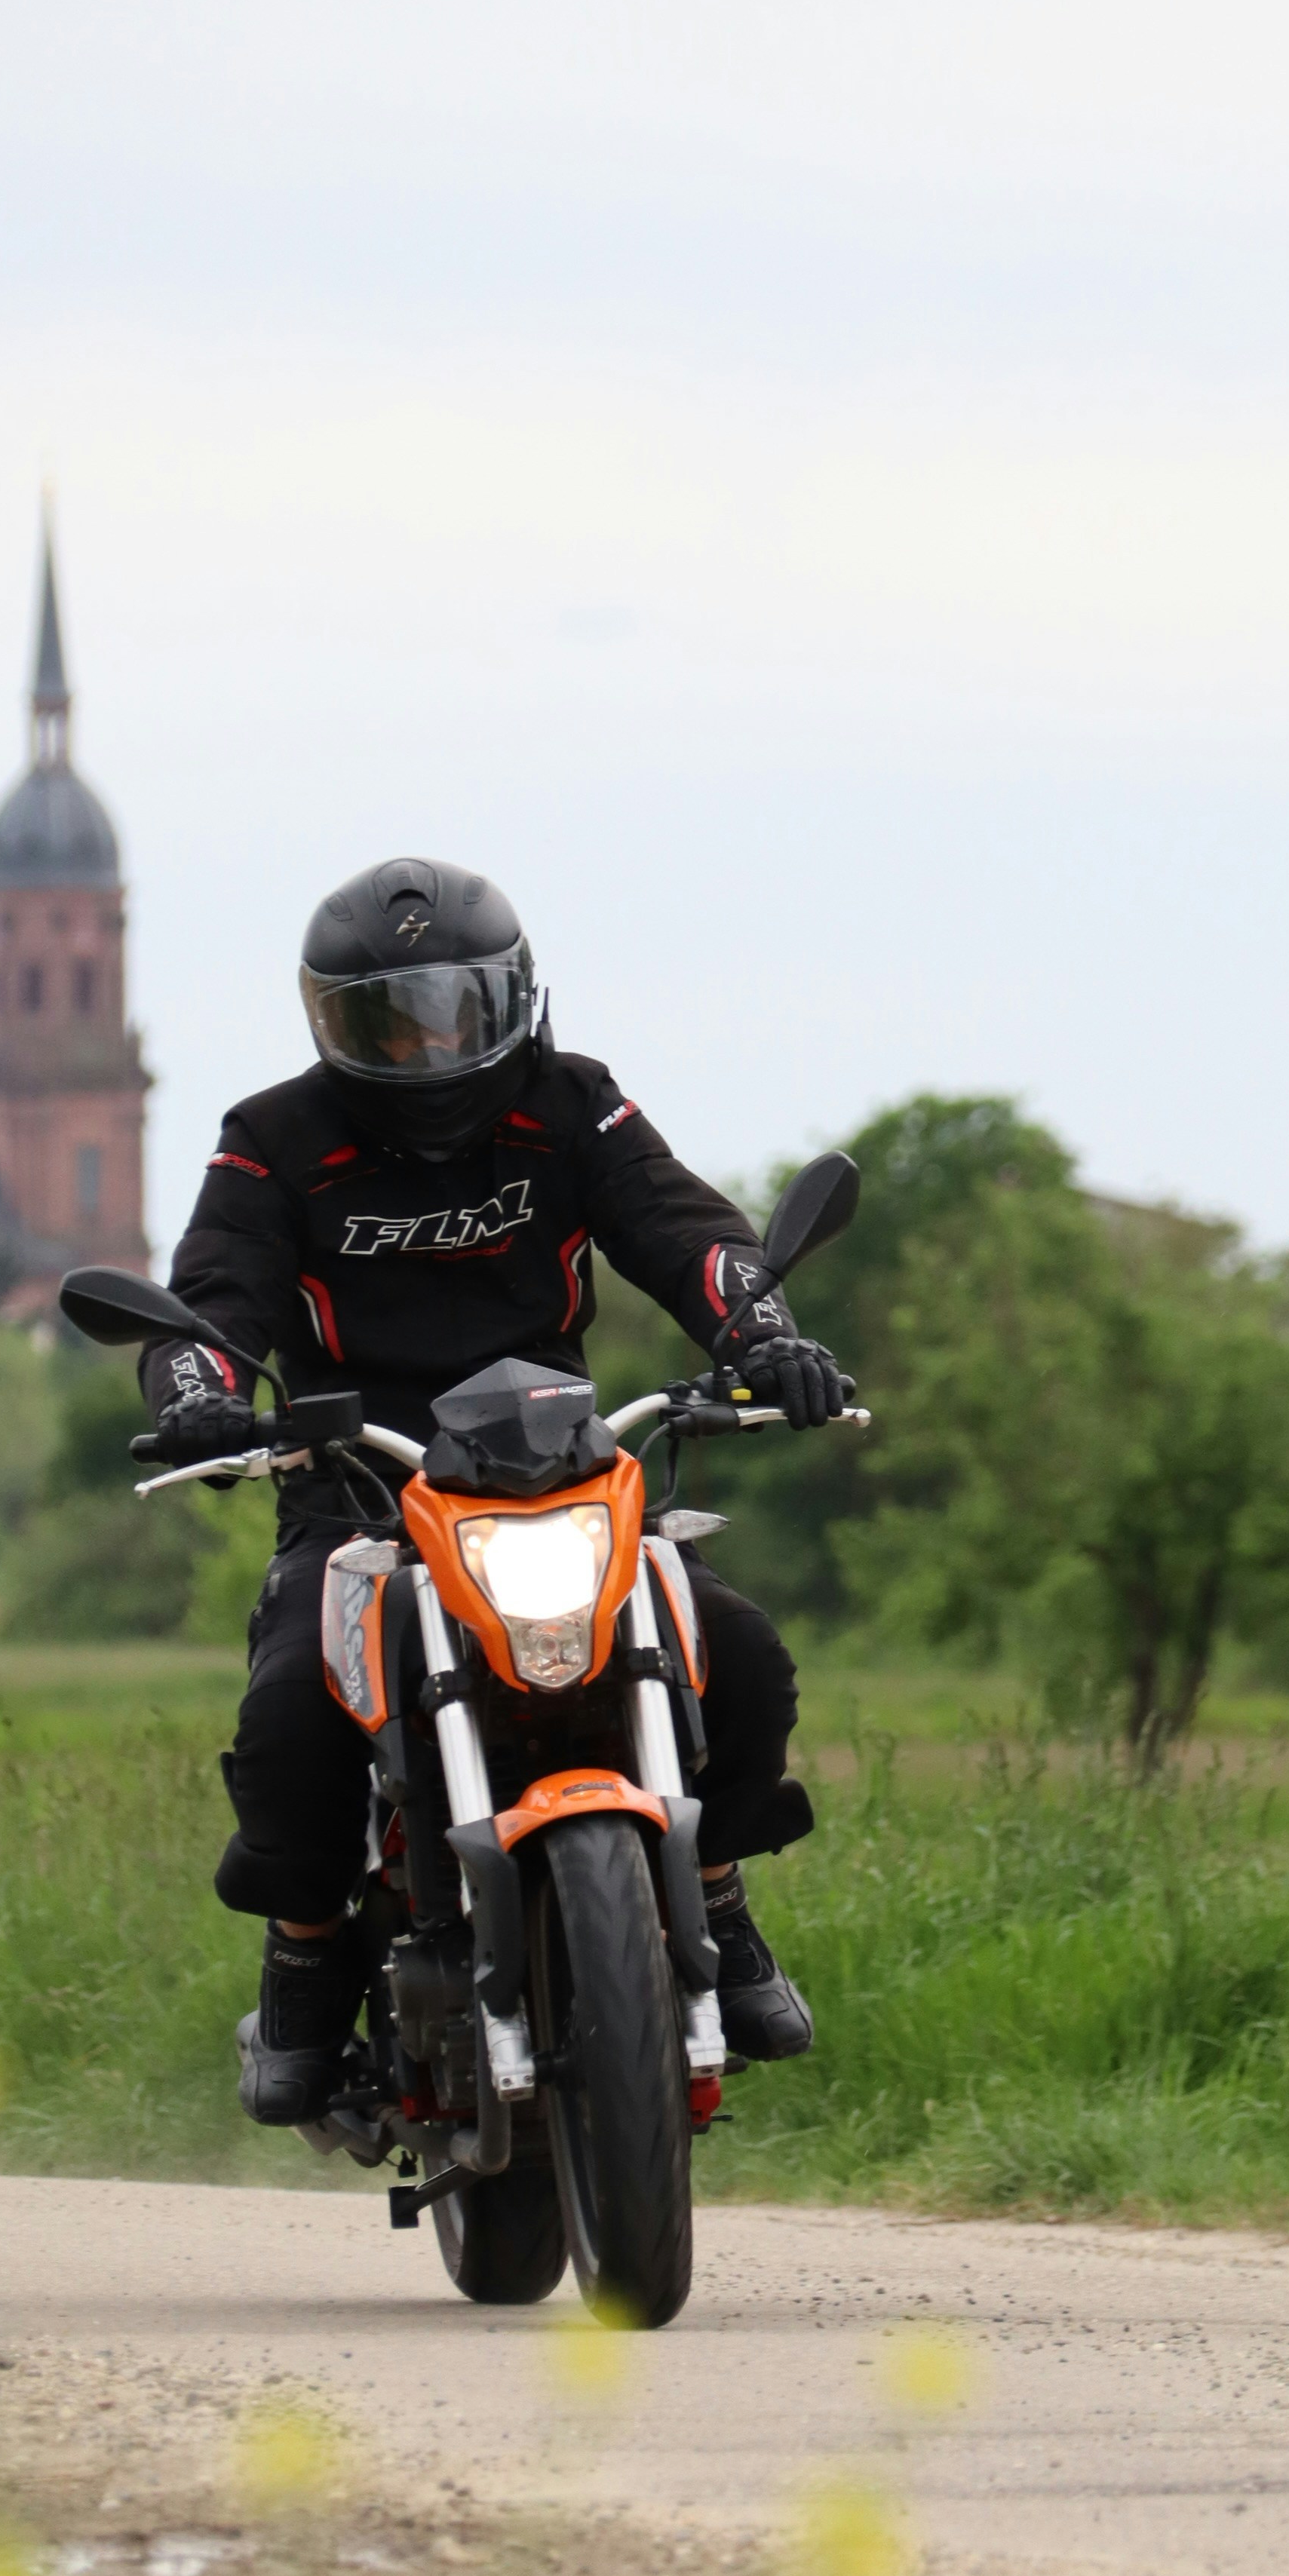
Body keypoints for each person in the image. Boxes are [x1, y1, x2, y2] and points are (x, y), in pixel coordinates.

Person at [138, 854, 846, 2126]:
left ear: (510, 998)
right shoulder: (274, 1139)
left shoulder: (575, 1105)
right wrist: (198, 1388)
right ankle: (305, 1957)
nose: (419, 1046)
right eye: (379, 1017)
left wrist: (762, 1334)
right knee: (296, 1708)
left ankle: (721, 1900)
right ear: (326, 1020)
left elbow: (685, 1231)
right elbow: (213, 1298)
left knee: (734, 1651)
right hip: (362, 1487)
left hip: (561, 1473)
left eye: (446, 1009)